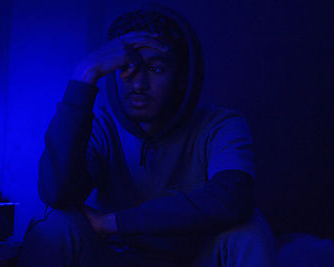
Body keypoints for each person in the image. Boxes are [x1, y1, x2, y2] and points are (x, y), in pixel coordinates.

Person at [18, 3, 277, 267]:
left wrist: (113, 223)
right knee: (53, 225)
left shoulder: (220, 125)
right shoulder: (101, 128)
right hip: (115, 260)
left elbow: (232, 199)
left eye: (156, 69)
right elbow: (55, 194)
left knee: (251, 228)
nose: (139, 84)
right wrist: (85, 73)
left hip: (196, 260)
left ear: (182, 78)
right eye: (127, 67)